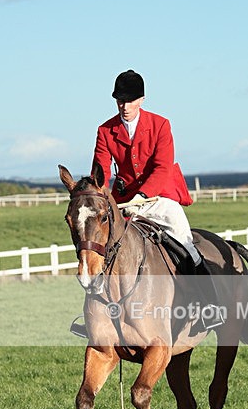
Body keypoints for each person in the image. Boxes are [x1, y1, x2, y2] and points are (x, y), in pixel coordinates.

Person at [91, 69, 223, 330]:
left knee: (186, 241)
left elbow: (162, 167)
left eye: (129, 100)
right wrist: (100, 197)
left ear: (141, 99)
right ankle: (97, 317)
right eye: (119, 100)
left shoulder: (161, 124)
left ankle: (209, 305)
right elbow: (101, 171)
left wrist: (143, 195)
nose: (124, 106)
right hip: (125, 202)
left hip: (160, 196)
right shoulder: (105, 130)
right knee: (101, 247)